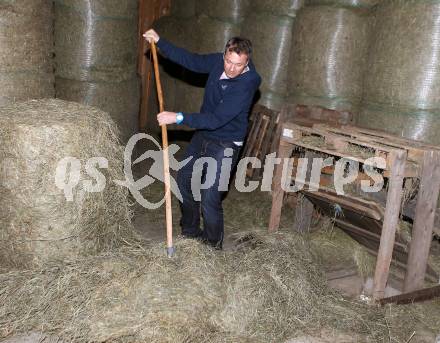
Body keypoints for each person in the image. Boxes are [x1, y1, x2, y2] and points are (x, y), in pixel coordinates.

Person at [143, 29, 261, 249]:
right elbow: (192, 61)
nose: (231, 68)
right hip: (204, 135)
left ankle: (212, 244)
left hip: (225, 143)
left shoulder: (247, 84)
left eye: (238, 65)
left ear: (247, 63)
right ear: (225, 54)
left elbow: (216, 119)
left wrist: (178, 117)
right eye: (228, 61)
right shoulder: (218, 62)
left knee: (209, 196)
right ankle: (190, 232)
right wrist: (160, 41)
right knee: (185, 182)